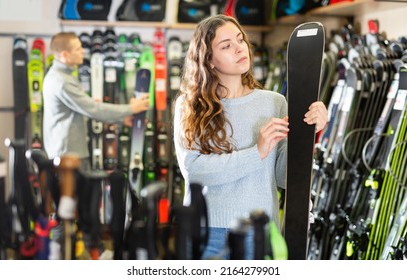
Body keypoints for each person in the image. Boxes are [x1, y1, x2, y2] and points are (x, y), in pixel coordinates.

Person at [173, 14, 328, 260]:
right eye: (226, 46)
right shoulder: (190, 106)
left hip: (261, 231)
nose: (239, 49)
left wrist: (312, 133)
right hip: (207, 232)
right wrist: (258, 152)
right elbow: (196, 171)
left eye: (240, 40)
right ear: (209, 60)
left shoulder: (274, 102)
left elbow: (285, 177)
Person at [43, 31, 150, 169]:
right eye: (78, 49)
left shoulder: (62, 76)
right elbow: (92, 108)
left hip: (68, 151)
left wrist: (122, 119)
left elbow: (84, 110)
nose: (83, 51)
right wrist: (131, 108)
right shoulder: (62, 82)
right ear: (65, 55)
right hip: (67, 155)